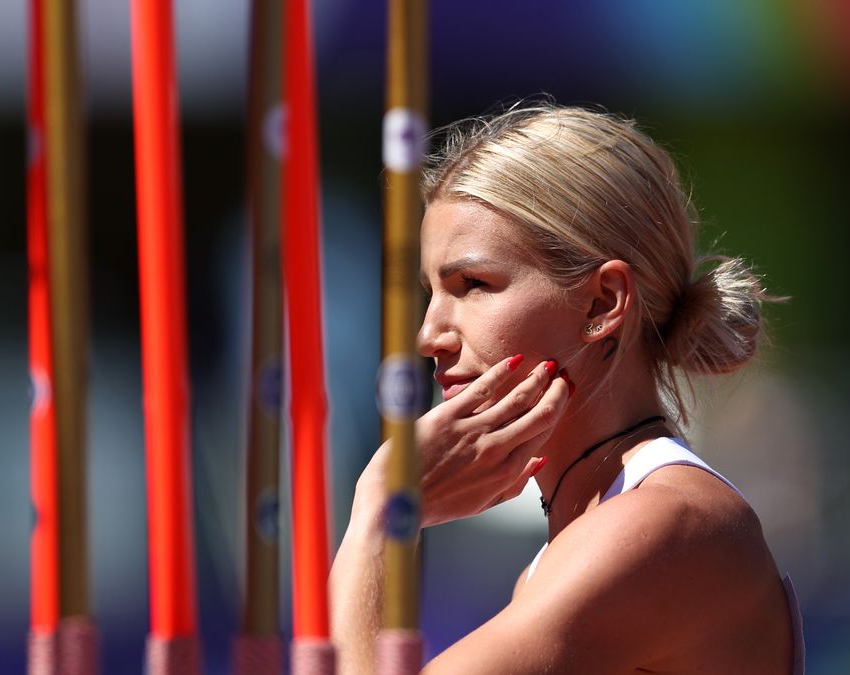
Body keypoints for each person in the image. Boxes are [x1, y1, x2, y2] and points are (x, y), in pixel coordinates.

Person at [331, 103, 804, 674]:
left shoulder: (660, 526)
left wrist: (379, 514)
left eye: (473, 284)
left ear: (603, 302)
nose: (429, 335)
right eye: (430, 292)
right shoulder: (566, 553)